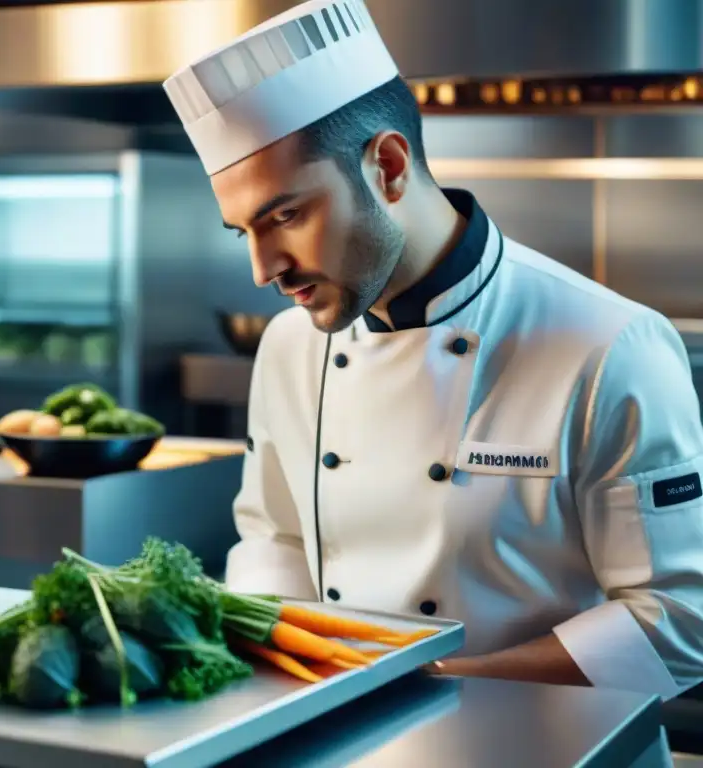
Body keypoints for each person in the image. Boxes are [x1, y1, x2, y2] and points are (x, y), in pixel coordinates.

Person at [163, 0, 703, 701]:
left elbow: (681, 624)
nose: (264, 270)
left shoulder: (609, 346)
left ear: (387, 166)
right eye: (245, 232)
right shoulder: (289, 347)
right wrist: (286, 668)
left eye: (286, 215)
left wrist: (427, 689)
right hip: (343, 742)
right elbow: (276, 540)